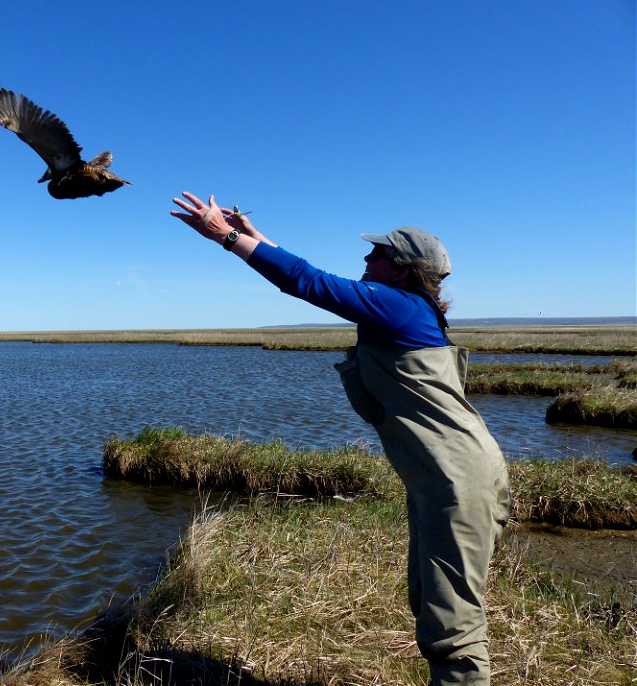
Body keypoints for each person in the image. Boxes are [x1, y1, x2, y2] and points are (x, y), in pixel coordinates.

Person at [170, 192, 512, 686]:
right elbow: (310, 274)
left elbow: (308, 282)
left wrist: (226, 237)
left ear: (401, 268)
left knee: (453, 629)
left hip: (458, 484)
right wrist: (251, 232)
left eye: (377, 253)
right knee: (430, 599)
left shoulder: (397, 308)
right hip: (447, 478)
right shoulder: (405, 309)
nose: (366, 258)